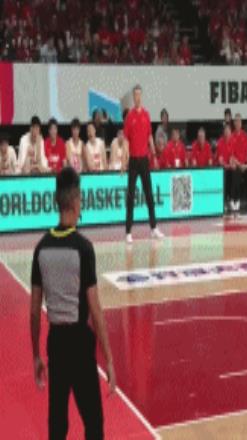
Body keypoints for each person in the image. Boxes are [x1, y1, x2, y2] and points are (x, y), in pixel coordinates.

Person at [30, 167, 116, 439]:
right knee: (93, 422)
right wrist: (109, 358)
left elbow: (34, 311)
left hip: (56, 343)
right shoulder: (83, 248)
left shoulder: (41, 248)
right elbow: (95, 308)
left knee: (57, 424)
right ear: (76, 201)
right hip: (80, 344)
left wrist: (36, 355)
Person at [124, 85, 164, 243]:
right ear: (133, 97)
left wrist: (154, 156)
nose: (137, 97)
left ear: (142, 96)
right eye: (135, 95)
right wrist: (124, 160)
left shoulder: (146, 115)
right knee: (130, 196)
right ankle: (128, 231)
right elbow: (126, 140)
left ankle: (154, 228)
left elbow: (149, 137)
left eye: (139, 95)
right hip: (133, 160)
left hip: (144, 160)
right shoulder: (129, 116)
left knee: (149, 194)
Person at [230, 114, 247, 211]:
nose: (238, 123)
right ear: (234, 123)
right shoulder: (232, 136)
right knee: (236, 173)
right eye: (236, 121)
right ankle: (235, 199)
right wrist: (240, 165)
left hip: (245, 164)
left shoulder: (245, 135)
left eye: (239, 121)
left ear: (241, 123)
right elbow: (232, 155)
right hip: (237, 164)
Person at [216, 123, 234, 208]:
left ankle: (231, 199)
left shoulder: (232, 141)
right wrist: (226, 165)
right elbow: (220, 160)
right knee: (225, 173)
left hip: (229, 165)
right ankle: (224, 200)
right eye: (226, 131)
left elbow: (232, 156)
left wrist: (231, 164)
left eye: (228, 131)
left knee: (234, 172)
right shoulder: (220, 142)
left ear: (230, 132)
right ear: (224, 132)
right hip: (221, 166)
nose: (227, 133)